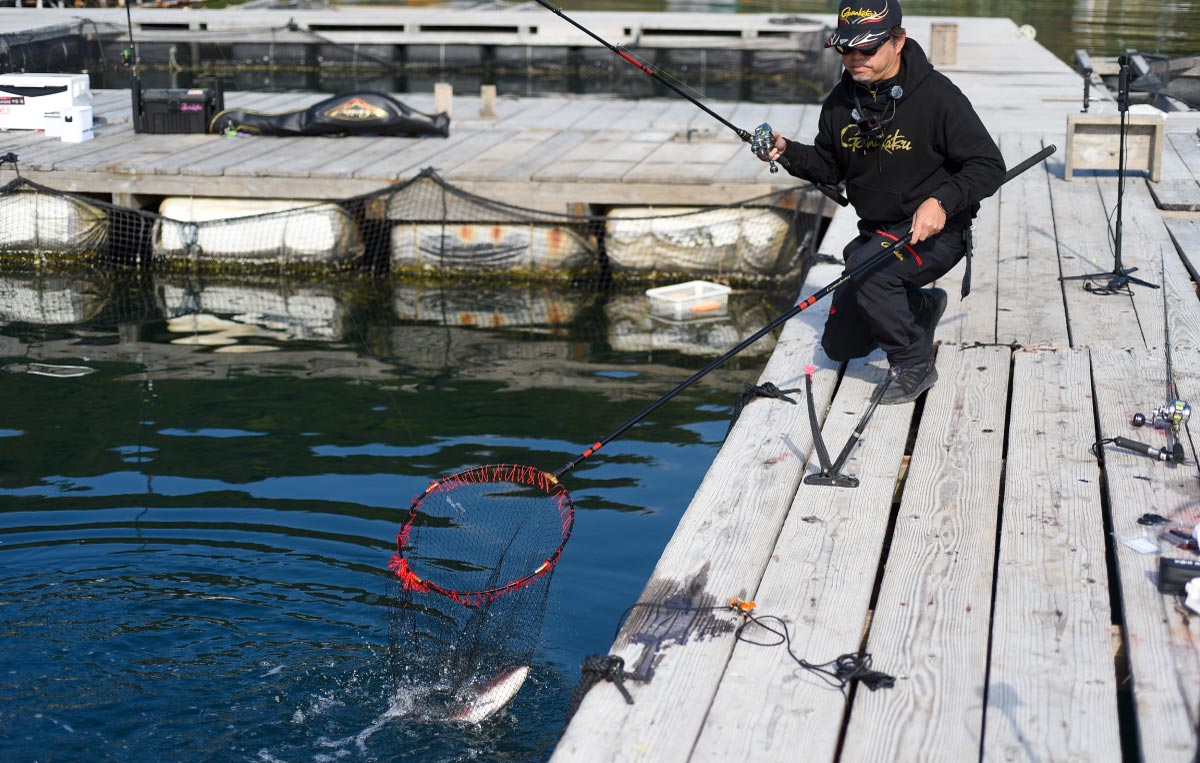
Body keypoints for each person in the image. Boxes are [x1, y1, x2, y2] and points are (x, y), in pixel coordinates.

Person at [760, 0, 1005, 404]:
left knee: (868, 270)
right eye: (846, 49)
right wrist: (785, 150)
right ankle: (920, 307)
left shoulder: (939, 97)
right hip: (877, 235)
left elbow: (989, 164)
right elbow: (827, 166)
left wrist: (941, 202)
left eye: (867, 49)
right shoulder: (840, 101)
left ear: (898, 41)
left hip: (937, 233)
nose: (856, 59)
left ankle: (913, 362)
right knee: (841, 347)